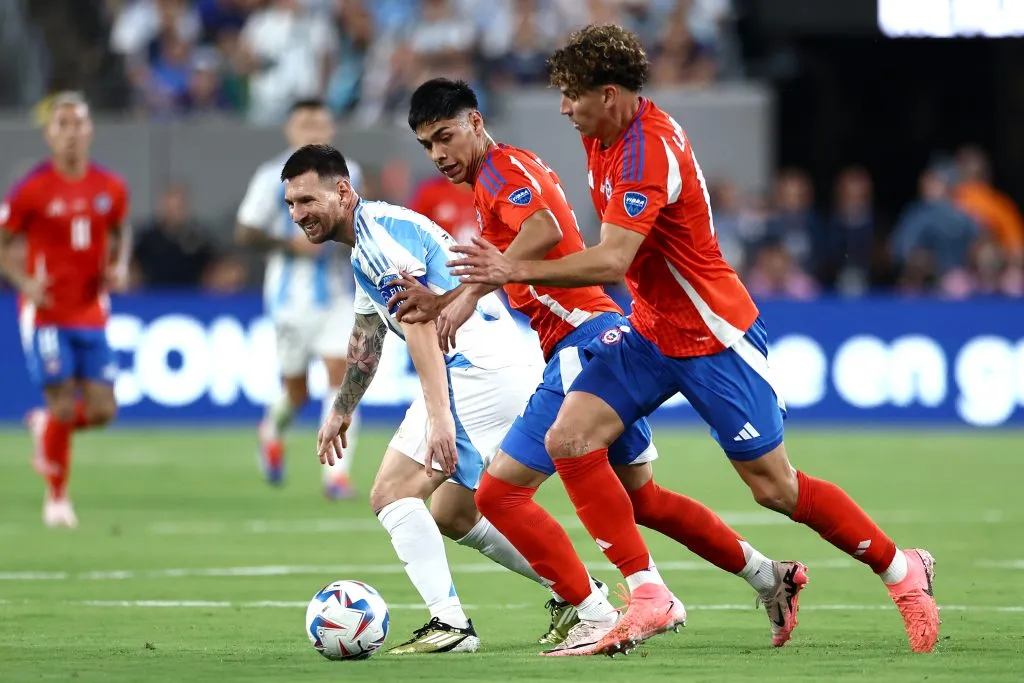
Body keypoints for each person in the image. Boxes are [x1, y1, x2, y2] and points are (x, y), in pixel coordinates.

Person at [448, 24, 940, 655]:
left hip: (713, 335)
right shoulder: (606, 137)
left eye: (572, 96)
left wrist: (512, 268)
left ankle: (903, 570)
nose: (565, 109)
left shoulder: (644, 152)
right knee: (569, 439)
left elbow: (610, 262)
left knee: (774, 488)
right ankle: (647, 596)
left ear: (608, 92)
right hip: (650, 333)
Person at [389, 77, 807, 655]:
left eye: (445, 136)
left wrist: (480, 285)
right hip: (605, 335)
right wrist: (449, 304)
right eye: (426, 145)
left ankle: (597, 608)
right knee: (645, 500)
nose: (438, 154)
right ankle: (770, 576)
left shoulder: (501, 170)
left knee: (498, 496)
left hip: (582, 342)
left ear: (476, 124)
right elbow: (503, 268)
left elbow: (546, 229)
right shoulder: (493, 183)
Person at [281, 143, 600, 654]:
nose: (298, 215)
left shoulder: (377, 239)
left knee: (391, 493)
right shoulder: (370, 237)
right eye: (292, 205)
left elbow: (422, 324)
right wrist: (342, 409)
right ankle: (583, 597)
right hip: (497, 364)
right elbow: (369, 332)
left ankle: (450, 624)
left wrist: (439, 417)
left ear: (342, 191)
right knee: (453, 512)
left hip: (475, 370)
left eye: (307, 201)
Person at [0, 92, 131, 528]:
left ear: (90, 130)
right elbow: (3, 245)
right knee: (61, 405)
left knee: (102, 411)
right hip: (46, 312)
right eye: (63, 125)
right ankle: (57, 498)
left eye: (78, 124)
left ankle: (44, 428)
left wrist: (119, 265)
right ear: (49, 135)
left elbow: (119, 227)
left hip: (91, 309)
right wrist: (23, 282)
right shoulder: (32, 189)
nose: (72, 133)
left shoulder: (109, 186)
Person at [236, 99, 363, 499]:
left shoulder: (349, 174)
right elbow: (246, 232)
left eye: (320, 124)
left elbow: (361, 223)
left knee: (341, 375)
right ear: (290, 131)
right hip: (289, 300)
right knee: (297, 391)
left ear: (331, 131)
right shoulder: (269, 176)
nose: (313, 132)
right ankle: (272, 429)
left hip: (338, 294)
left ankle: (336, 476)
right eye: (305, 125)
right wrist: (290, 245)